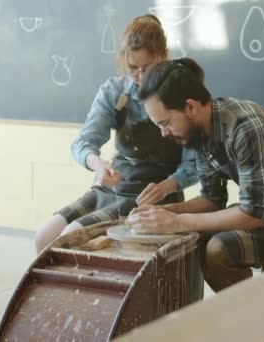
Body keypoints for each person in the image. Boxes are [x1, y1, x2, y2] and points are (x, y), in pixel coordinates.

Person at [127, 58, 264, 292]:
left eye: (166, 123)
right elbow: (212, 200)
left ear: (190, 107)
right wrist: (164, 213)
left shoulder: (246, 128)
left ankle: (251, 320)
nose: (163, 133)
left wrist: (178, 221)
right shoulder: (199, 134)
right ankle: (255, 310)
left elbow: (254, 215)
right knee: (196, 238)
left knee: (218, 250)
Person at [34, 15, 198, 253]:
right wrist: (97, 164)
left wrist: (169, 185)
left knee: (71, 236)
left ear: (165, 55)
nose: (140, 77)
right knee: (44, 236)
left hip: (154, 195)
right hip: (112, 188)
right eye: (133, 68)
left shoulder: (182, 94)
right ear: (123, 59)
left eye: (147, 68)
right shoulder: (114, 91)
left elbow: (195, 163)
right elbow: (84, 142)